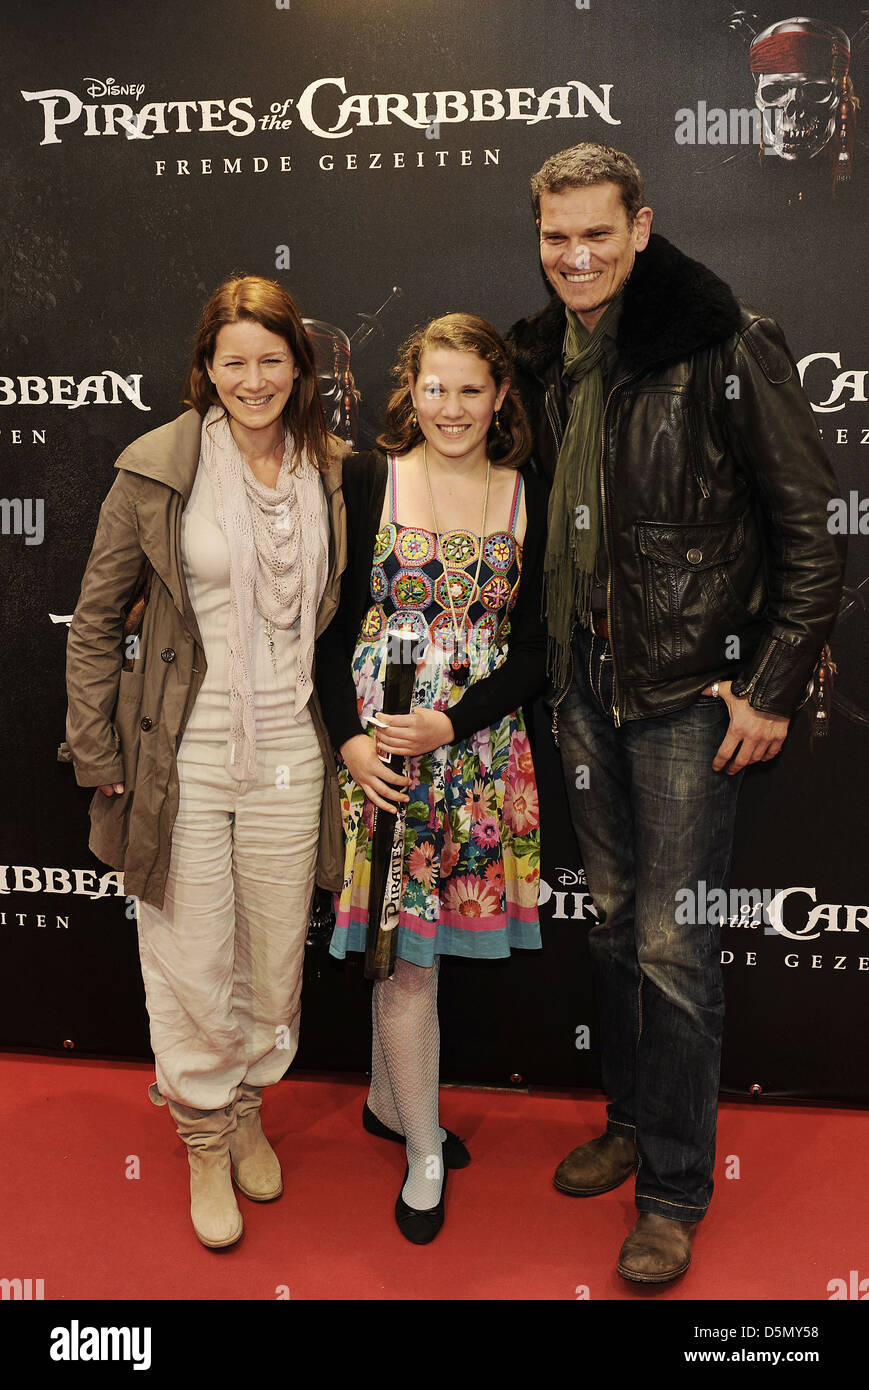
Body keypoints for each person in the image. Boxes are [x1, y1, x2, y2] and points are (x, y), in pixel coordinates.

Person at [507, 143, 845, 1283]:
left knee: (671, 944)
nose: (577, 256)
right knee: (609, 924)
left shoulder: (721, 340)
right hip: (582, 689)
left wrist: (771, 683)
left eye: (597, 233)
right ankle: (630, 1117)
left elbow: (812, 530)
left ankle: (672, 1187)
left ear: (639, 227)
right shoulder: (540, 358)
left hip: (687, 698)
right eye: (557, 236)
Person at [65, 276, 348, 1249]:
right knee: (189, 959)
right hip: (182, 756)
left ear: (297, 368)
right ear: (207, 367)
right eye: (235, 360)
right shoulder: (158, 467)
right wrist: (96, 746)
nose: (254, 377)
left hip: (287, 756)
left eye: (272, 358)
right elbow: (97, 618)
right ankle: (199, 1133)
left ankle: (248, 1107)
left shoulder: (329, 468)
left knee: (270, 966)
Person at [316, 313, 548, 1243]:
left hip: (481, 751)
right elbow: (329, 635)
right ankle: (421, 1148)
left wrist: (455, 719)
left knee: (417, 949)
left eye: (470, 389)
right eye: (433, 387)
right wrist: (349, 744)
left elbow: (532, 653)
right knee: (406, 961)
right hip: (383, 758)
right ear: (408, 391)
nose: (450, 408)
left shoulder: (526, 490)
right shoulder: (368, 478)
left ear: (500, 398)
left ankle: (385, 1099)